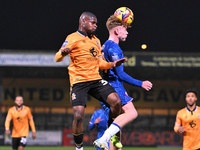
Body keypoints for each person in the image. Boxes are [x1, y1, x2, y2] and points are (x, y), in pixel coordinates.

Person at [55, 12, 126, 150]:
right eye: (93, 22)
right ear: (83, 21)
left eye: (96, 23)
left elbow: (100, 63)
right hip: (79, 81)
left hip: (95, 79)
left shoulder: (96, 40)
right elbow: (57, 57)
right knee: (79, 115)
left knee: (116, 102)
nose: (96, 25)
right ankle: (79, 147)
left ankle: (111, 134)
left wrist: (113, 64)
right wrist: (63, 53)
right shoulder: (72, 37)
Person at [93, 14, 153, 150]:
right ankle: (103, 138)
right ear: (117, 31)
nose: (127, 32)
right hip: (113, 86)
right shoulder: (113, 47)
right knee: (132, 113)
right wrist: (141, 83)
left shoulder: (104, 46)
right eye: (125, 29)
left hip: (106, 87)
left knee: (116, 138)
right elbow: (120, 74)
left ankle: (106, 138)